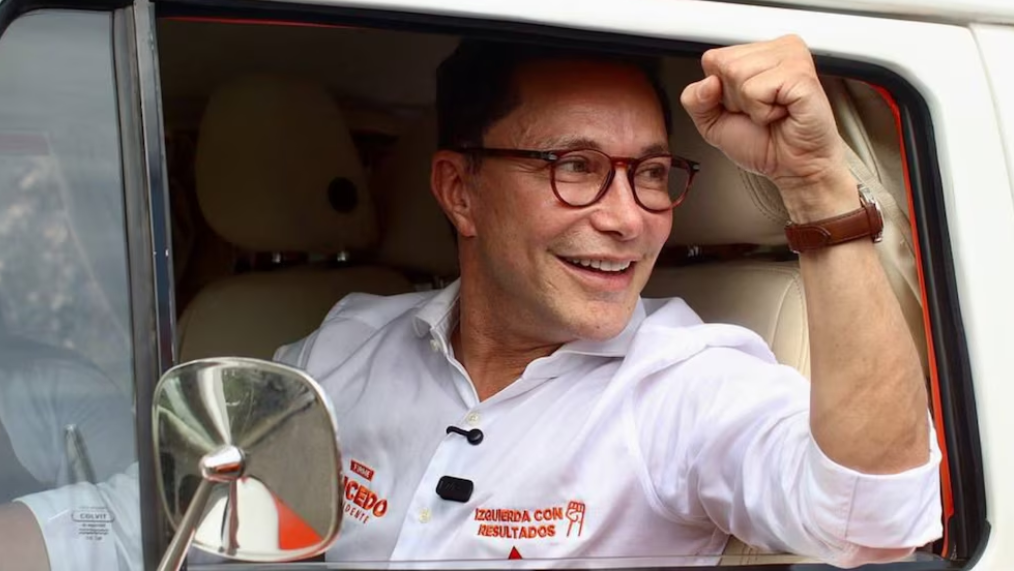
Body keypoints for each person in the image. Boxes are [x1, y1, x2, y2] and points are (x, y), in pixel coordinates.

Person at [0, 35, 941, 570]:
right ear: (459, 192)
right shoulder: (350, 344)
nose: (629, 217)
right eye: (576, 166)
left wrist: (816, 187)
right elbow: (157, 519)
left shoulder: (690, 383)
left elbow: (878, 516)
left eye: (653, 173)